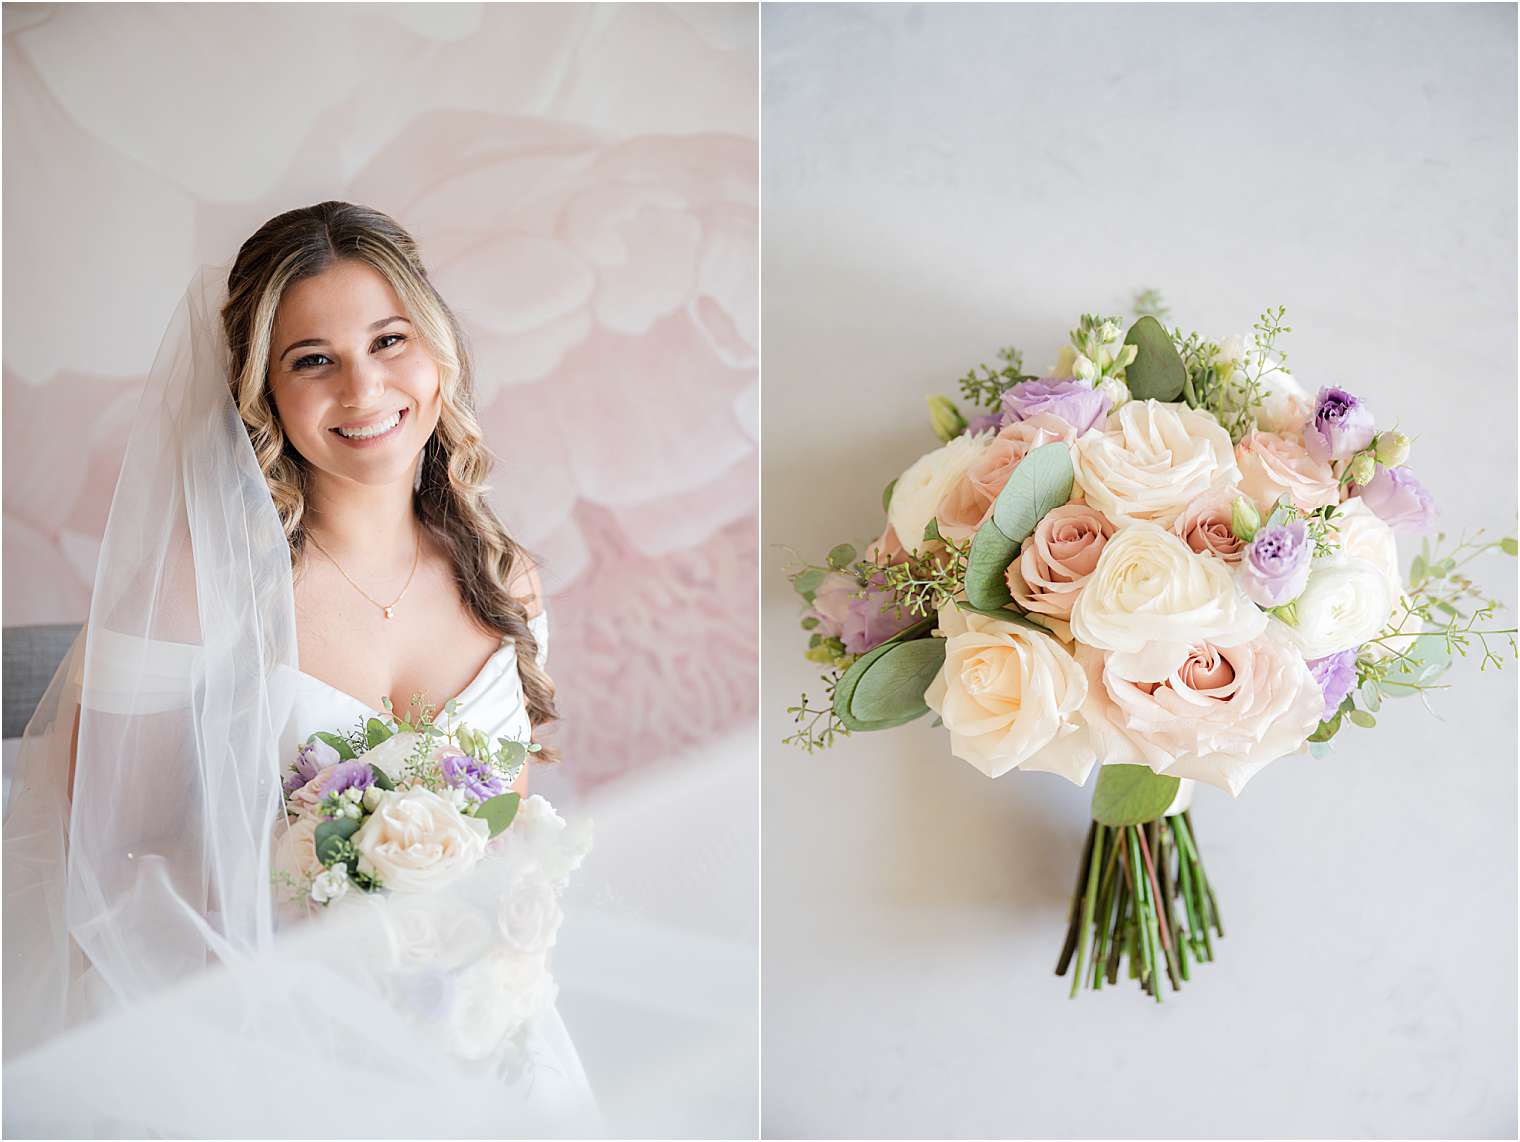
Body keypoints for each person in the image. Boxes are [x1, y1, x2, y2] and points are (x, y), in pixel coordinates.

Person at [2, 203, 599, 1137]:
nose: (365, 388)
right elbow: (111, 862)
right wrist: (301, 992)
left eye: (389, 340)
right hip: (247, 1043)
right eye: (312, 359)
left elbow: (508, 830)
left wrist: (482, 958)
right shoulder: (193, 593)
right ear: (262, 393)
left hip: (476, 1034)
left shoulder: (503, 579)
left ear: (436, 354)